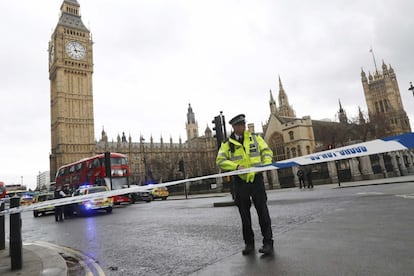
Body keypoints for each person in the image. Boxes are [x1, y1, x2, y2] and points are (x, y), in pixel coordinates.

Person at [216, 114, 274, 256]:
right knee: (244, 215)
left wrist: (265, 164)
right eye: (239, 125)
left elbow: (266, 151)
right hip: (240, 182)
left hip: (256, 180)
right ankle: (249, 244)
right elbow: (220, 160)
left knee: (263, 212)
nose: (242, 127)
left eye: (243, 124)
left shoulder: (255, 138)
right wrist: (236, 166)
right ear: (234, 127)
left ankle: (268, 243)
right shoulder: (227, 144)